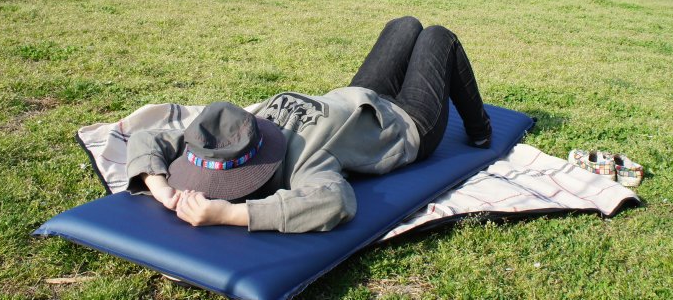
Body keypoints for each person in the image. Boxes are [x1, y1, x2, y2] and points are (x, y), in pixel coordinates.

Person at [126, 16, 493, 233]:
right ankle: (480, 132)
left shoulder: (233, 130)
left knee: (404, 25)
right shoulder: (304, 166)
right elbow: (335, 203)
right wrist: (230, 213)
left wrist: (161, 188)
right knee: (437, 36)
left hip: (358, 95)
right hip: (406, 124)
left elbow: (147, 138)